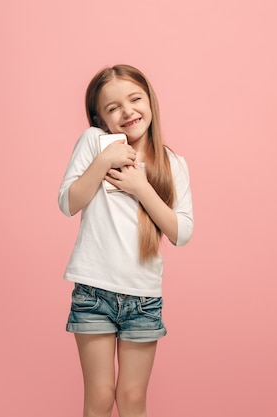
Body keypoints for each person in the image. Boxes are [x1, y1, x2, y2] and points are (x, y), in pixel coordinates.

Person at [58, 64, 194, 417]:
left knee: (132, 399)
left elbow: (181, 233)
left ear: (149, 101)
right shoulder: (93, 142)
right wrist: (104, 160)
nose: (127, 111)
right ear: (100, 118)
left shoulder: (172, 163)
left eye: (135, 99)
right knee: (100, 398)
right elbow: (68, 203)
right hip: (93, 292)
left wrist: (141, 188)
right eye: (113, 107)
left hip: (143, 299)